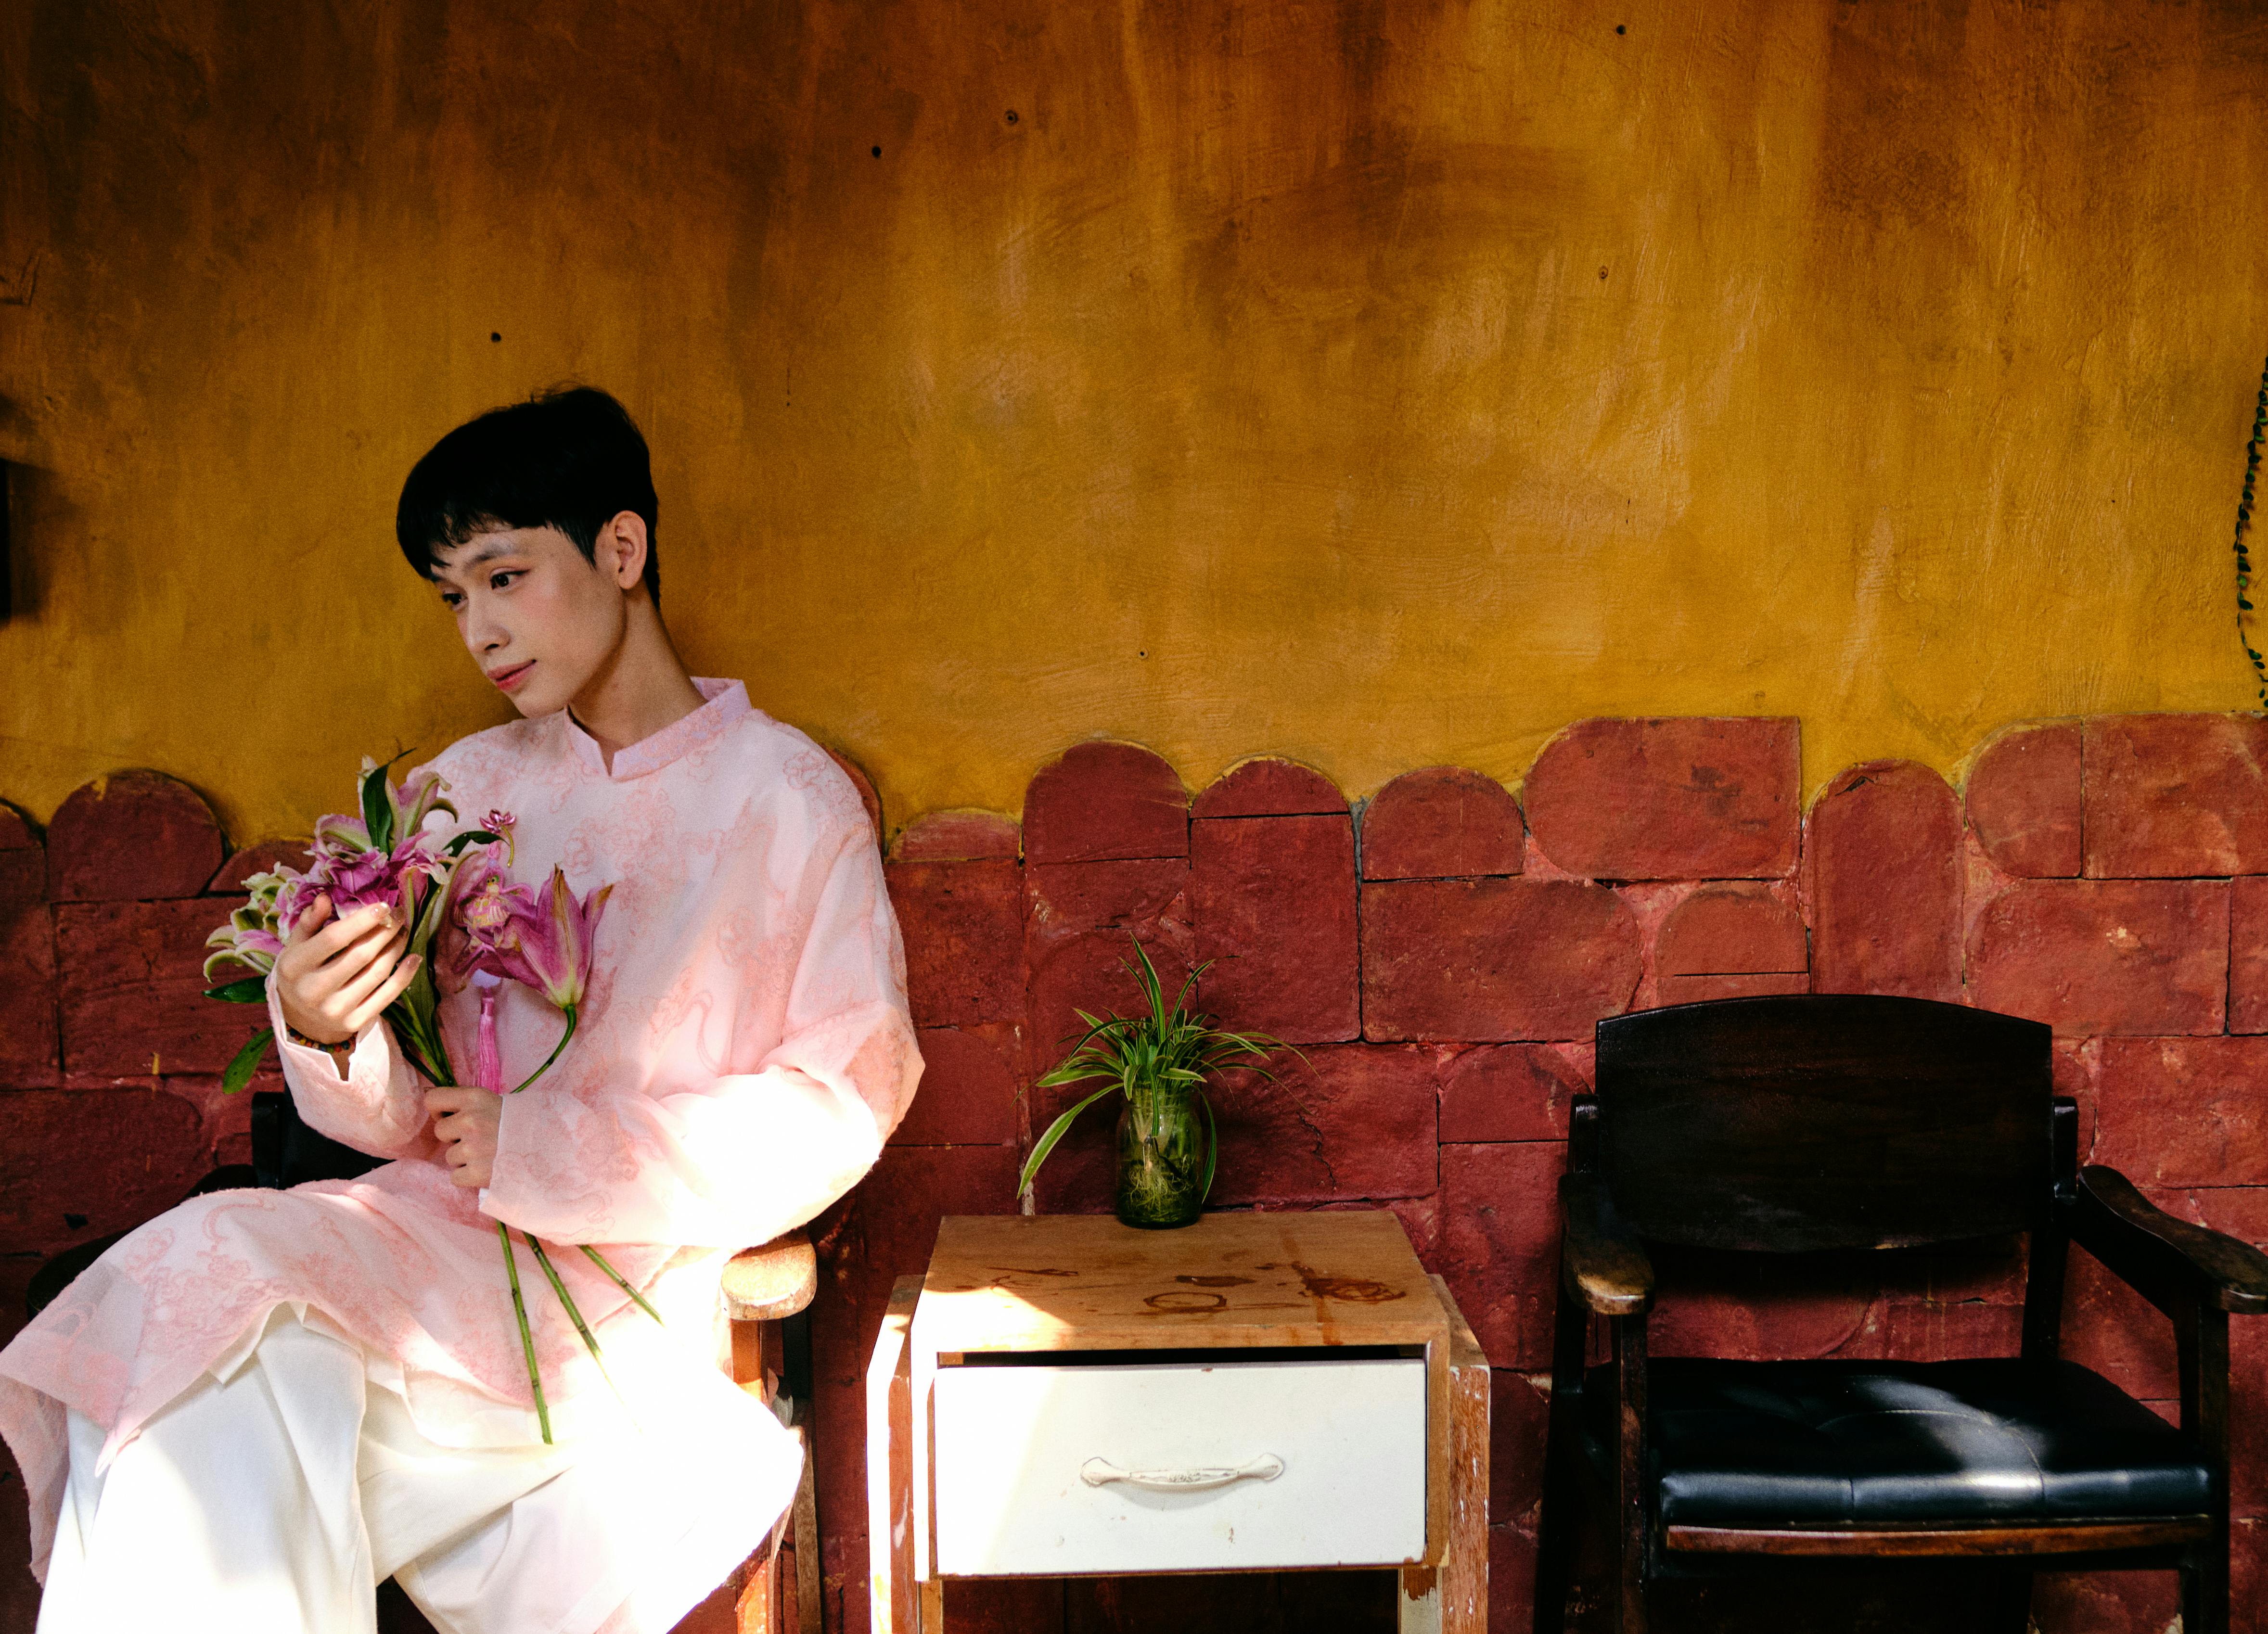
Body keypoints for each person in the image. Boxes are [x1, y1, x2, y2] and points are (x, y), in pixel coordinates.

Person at [0, 386, 921, 1634]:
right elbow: (403, 1119)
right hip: (411, 1252)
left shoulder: (790, 799)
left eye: (504, 576)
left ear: (621, 549)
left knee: (211, 1393)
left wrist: (551, 1146)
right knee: (200, 1328)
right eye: (453, 597)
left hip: (613, 1302)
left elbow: (843, 1099)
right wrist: (331, 1027)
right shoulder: (457, 793)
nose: (479, 631)